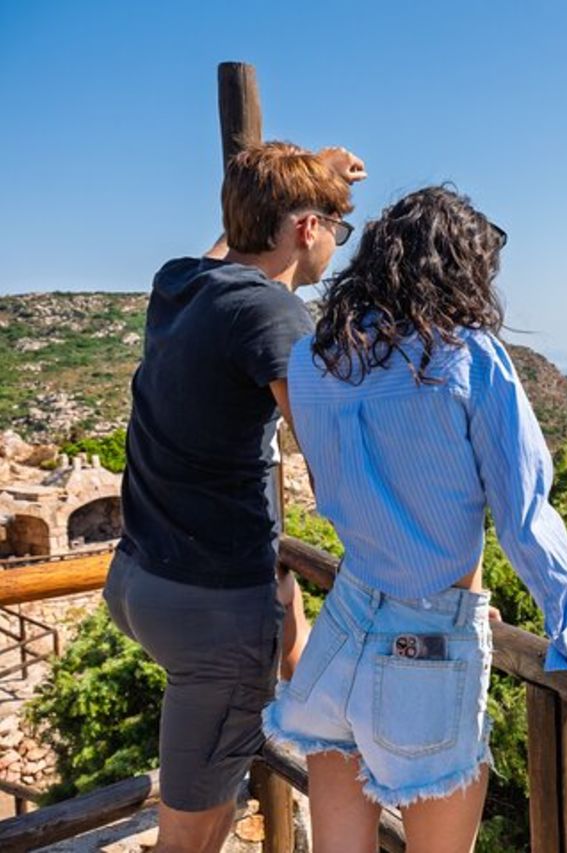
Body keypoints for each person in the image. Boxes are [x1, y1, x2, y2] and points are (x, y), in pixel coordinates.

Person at [263, 185, 567, 852]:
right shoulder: (465, 357)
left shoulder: (315, 359)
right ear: (459, 267)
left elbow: (337, 483)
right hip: (426, 645)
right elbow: (524, 515)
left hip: (341, 631)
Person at [103, 141, 366, 853]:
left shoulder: (182, 281)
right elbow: (331, 459)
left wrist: (314, 177)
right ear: (307, 227)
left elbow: (239, 239)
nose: (336, 245)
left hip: (136, 577)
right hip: (210, 612)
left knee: (290, 637)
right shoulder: (275, 316)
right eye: (336, 226)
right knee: (191, 837)